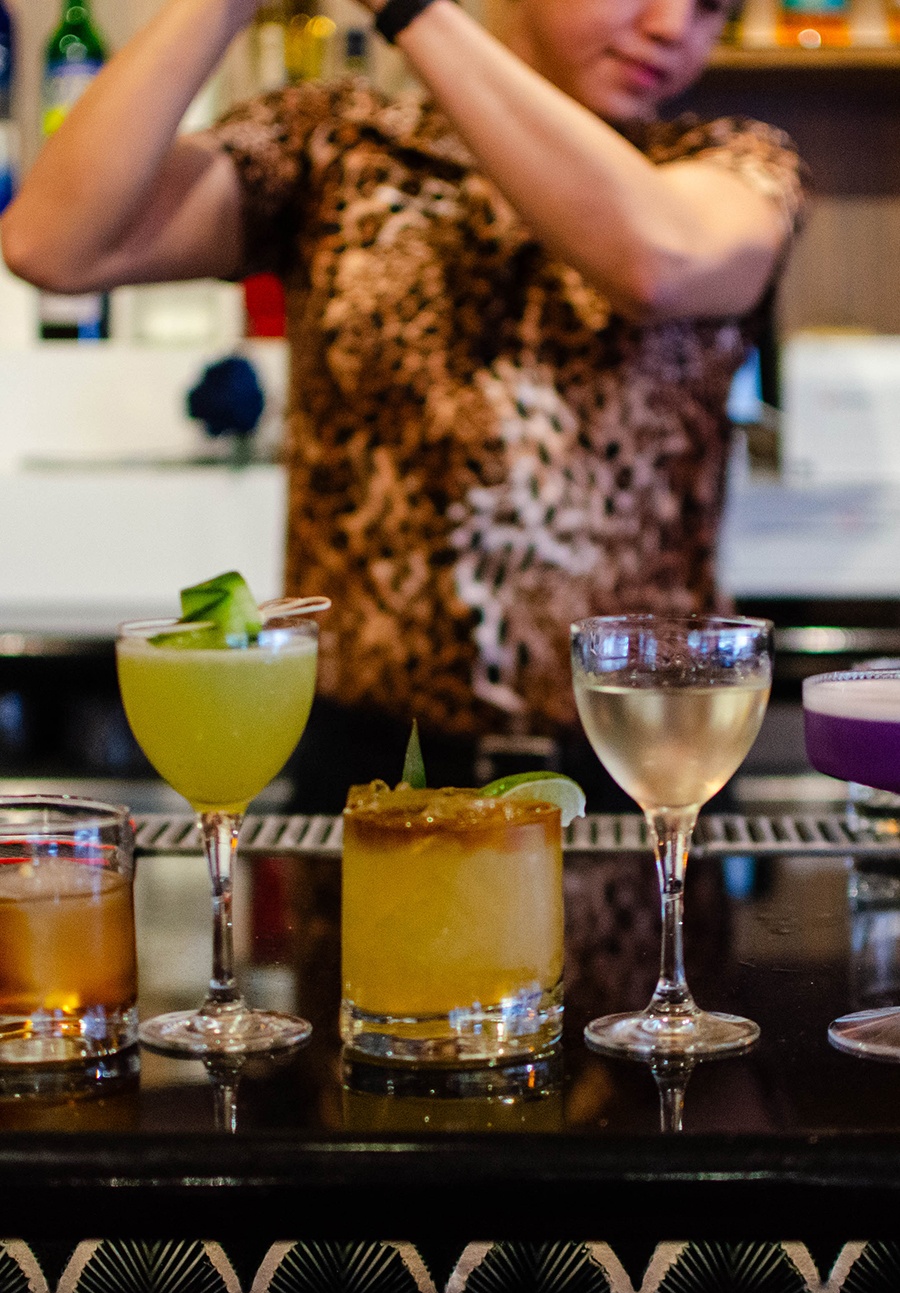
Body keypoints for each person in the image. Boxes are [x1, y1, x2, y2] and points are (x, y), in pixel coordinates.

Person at [1, 0, 808, 806]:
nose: (675, 27)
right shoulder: (336, 146)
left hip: (641, 778)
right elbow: (52, 243)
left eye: (713, 8)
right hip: (374, 779)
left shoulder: (730, 164)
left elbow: (657, 262)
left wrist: (411, 11)